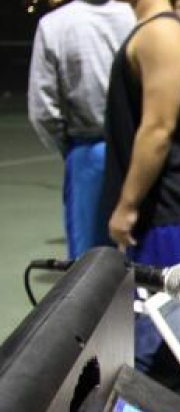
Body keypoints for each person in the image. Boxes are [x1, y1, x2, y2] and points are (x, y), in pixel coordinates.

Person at [102, 0, 180, 376]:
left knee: (157, 337)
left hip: (161, 212)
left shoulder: (161, 34)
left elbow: (159, 129)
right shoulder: (154, 30)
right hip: (157, 210)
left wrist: (128, 204)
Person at [27, 0, 135, 259]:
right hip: (140, 149)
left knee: (90, 264)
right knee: (142, 255)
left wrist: (68, 147)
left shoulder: (55, 24)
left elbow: (43, 109)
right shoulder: (133, 17)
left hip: (88, 151)